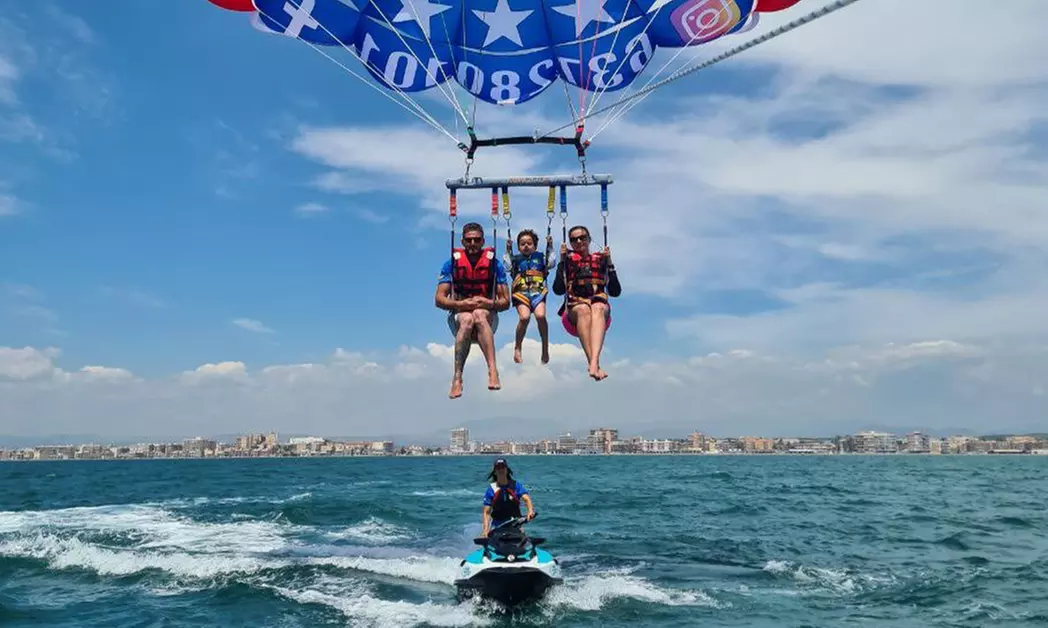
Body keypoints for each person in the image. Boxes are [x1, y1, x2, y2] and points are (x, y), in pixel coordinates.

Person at [435, 222, 511, 399]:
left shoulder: (495, 265)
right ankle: (457, 377)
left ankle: (492, 370)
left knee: (478, 314)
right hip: (459, 317)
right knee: (468, 318)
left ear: (483, 241)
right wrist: (461, 305)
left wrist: (486, 302)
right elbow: (439, 299)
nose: (472, 244)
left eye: (477, 240)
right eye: (469, 240)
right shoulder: (451, 264)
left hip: (487, 317)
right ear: (462, 241)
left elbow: (506, 302)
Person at [552, 225, 621, 381]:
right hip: (574, 315)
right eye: (574, 239)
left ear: (589, 239)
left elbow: (615, 292)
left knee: (597, 306)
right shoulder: (568, 261)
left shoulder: (601, 260)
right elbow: (558, 290)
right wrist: (562, 262)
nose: (578, 241)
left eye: (582, 237)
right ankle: (593, 362)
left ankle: (594, 362)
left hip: (600, 314)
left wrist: (609, 263)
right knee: (583, 308)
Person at [504, 229, 555, 365]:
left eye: (529, 243)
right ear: (518, 246)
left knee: (540, 316)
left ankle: (545, 347)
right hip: (521, 292)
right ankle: (517, 346)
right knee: (524, 317)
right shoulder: (515, 259)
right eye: (522, 244)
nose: (526, 246)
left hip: (537, 292)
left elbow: (551, 264)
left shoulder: (541, 257)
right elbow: (507, 267)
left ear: (535, 246)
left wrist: (550, 247)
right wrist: (508, 251)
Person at [481, 457, 535, 537]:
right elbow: (486, 512)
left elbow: (526, 499)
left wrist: (530, 511)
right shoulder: (491, 489)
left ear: (507, 470)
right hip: (497, 526)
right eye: (498, 468)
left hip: (515, 524)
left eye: (503, 467)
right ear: (495, 472)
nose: (501, 469)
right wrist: (485, 530)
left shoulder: (516, 485)